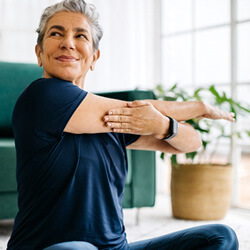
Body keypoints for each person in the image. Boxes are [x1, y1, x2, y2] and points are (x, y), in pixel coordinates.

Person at [7, 0, 238, 249]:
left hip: (116, 247)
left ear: (94, 57)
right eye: (56, 33)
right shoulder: (41, 97)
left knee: (220, 237)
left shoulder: (114, 122)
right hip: (51, 247)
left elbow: (191, 142)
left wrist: (162, 126)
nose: (68, 42)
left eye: (80, 35)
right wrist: (198, 108)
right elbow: (130, 110)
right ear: (39, 53)